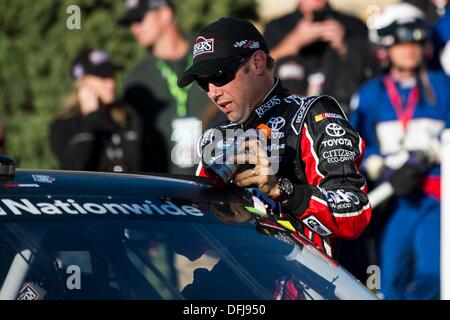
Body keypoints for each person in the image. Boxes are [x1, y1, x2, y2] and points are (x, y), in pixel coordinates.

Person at [177, 17, 372, 257]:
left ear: (258, 62)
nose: (213, 93)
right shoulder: (216, 138)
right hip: (246, 280)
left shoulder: (312, 115)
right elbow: (194, 243)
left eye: (219, 76)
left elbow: (354, 213)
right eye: (203, 83)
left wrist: (282, 190)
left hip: (312, 285)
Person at [350, 3, 450, 299]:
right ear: (386, 49)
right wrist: (378, 166)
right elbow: (357, 144)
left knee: (433, 272)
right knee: (389, 278)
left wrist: (434, 151)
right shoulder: (370, 94)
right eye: (402, 44)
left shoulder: (443, 87)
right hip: (392, 199)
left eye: (416, 43)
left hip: (433, 196)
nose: (409, 50)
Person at [119, 0, 216, 174]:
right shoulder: (136, 80)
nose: (134, 28)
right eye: (130, 23)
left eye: (140, 19)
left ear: (165, 14)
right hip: (165, 188)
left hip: (218, 179)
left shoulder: (209, 54)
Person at [263, 0, 376, 115]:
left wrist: (343, 45)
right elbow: (262, 67)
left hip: (340, 110)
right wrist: (294, 41)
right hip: (289, 113)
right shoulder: (276, 26)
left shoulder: (353, 25)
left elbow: (370, 70)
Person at [49, 48, 148, 173]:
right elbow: (73, 170)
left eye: (111, 75)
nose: (111, 83)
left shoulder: (128, 117)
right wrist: (90, 118)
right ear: (82, 83)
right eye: (102, 76)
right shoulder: (64, 125)